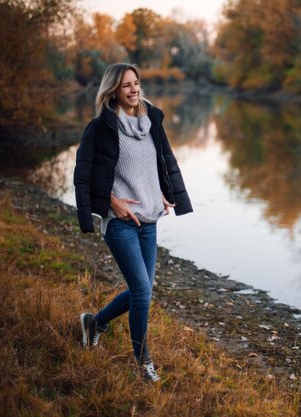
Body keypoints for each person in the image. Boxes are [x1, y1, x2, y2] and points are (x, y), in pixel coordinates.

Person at [73, 63, 192, 382]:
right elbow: (84, 174)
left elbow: (163, 162)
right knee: (141, 291)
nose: (134, 89)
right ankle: (143, 361)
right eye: (126, 85)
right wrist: (111, 201)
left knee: (144, 291)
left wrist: (164, 194)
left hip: (150, 220)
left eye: (136, 83)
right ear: (113, 90)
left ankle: (95, 322)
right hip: (120, 223)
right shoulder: (100, 128)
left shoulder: (152, 120)